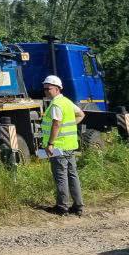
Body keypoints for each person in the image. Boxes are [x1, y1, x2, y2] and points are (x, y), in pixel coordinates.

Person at [41, 75, 85, 216]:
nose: (46, 91)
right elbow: (81, 114)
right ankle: (78, 206)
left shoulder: (56, 105)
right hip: (70, 146)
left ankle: (62, 207)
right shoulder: (66, 101)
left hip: (59, 147)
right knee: (72, 176)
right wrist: (70, 125)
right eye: (45, 88)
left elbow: (56, 123)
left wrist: (50, 143)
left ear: (58, 89)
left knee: (61, 176)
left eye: (49, 88)